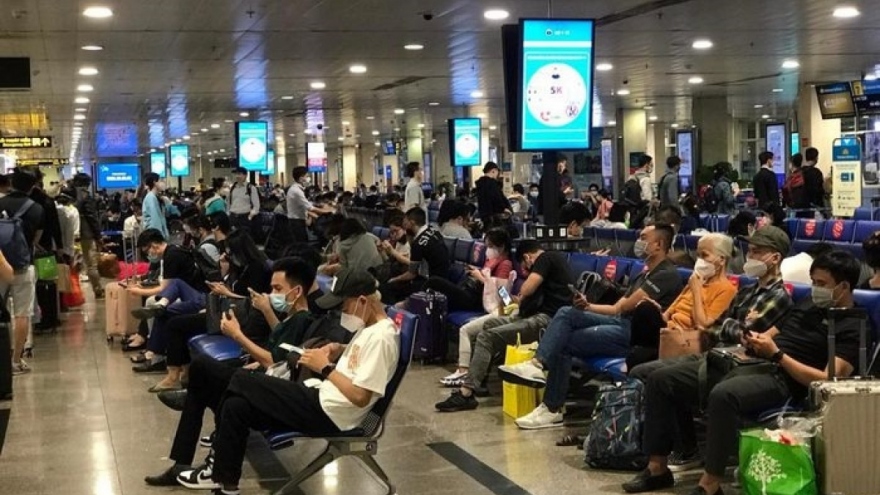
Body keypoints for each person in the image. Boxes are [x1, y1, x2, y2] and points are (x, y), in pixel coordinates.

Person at [622, 250, 863, 495]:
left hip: (786, 380)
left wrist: (777, 355)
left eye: (821, 284)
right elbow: (771, 336)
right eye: (813, 282)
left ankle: (710, 484)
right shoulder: (808, 305)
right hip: (751, 363)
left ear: (843, 286)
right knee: (660, 380)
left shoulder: (854, 325)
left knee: (723, 394)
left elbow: (826, 380)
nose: (814, 289)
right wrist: (755, 341)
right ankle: (657, 469)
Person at [173, 268, 400, 495]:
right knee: (236, 406)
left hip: (328, 412)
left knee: (235, 379)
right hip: (318, 397)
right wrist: (338, 349)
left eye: (344, 306)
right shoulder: (370, 328)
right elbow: (360, 361)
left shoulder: (381, 338)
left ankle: (197, 396)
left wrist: (325, 367)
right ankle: (225, 485)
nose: (342, 314)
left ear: (362, 300)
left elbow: (361, 397)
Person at [144, 257, 324, 487]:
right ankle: (188, 453)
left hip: (267, 386)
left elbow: (273, 362)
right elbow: (279, 347)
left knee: (202, 373)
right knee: (204, 380)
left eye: (278, 288)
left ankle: (188, 457)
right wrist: (268, 312)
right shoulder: (292, 318)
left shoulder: (302, 320)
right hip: (259, 376)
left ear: (297, 291)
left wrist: (237, 335)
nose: (272, 293)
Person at [629, 225, 794, 471]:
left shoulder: (779, 296)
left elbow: (743, 334)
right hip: (715, 354)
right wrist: (729, 327)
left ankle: (671, 458)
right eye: (751, 251)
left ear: (775, 258)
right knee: (643, 371)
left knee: (661, 379)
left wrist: (728, 328)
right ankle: (658, 455)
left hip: (738, 364)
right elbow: (715, 328)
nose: (751, 257)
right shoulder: (747, 292)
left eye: (758, 252)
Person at [497, 225, 684, 429]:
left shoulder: (666, 274)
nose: (638, 242)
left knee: (563, 340)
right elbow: (616, 308)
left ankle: (551, 406)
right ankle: (537, 368)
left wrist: (596, 308)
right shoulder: (644, 273)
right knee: (567, 313)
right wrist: (588, 306)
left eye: (643, 237)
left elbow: (625, 306)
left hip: (636, 335)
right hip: (620, 321)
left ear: (658, 244)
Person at [434, 239, 574, 412]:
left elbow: (527, 289)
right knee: (490, 324)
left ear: (528, 257)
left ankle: (466, 393)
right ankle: (479, 379)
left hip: (546, 322)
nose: (525, 270)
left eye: (525, 266)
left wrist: (522, 293)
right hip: (537, 317)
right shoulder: (554, 261)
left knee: (486, 337)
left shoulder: (546, 258)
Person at [0, 169, 44, 375]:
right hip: (23, 266)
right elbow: (35, 240)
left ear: (11, 183)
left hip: (0, 265)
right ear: (32, 186)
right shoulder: (36, 208)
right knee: (22, 314)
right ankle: (16, 360)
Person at [427, 227, 513, 314]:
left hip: (474, 298)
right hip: (467, 290)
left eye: (490, 246)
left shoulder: (505, 264)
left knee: (434, 282)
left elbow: (503, 293)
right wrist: (477, 270)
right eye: (486, 247)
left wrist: (479, 277)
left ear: (502, 247)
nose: (487, 250)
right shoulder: (492, 259)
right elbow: (489, 276)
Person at [380, 207, 449, 304]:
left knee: (388, 287)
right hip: (443, 279)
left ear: (411, 223)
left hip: (431, 284)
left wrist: (394, 279)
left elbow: (411, 274)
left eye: (405, 224)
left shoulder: (419, 243)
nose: (405, 227)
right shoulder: (435, 232)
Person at [71, 173, 105, 299]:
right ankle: (97, 289)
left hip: (69, 234)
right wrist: (98, 235)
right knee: (91, 264)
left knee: (72, 264)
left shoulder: (68, 195)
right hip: (86, 234)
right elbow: (92, 217)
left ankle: (71, 293)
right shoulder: (86, 197)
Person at [475, 162, 511, 228]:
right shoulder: (492, 184)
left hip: (485, 217)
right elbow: (497, 199)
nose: (498, 175)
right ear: (493, 171)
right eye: (497, 172)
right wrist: (504, 209)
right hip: (495, 218)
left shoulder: (480, 184)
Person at [227, 167, 260, 234]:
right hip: (233, 217)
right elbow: (228, 203)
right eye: (236, 174)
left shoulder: (250, 188)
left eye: (239, 174)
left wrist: (250, 217)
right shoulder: (232, 188)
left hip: (245, 218)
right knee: (233, 239)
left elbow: (256, 206)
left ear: (245, 175)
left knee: (244, 240)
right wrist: (228, 214)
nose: (237, 176)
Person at [753, 151, 782, 225]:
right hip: (771, 210)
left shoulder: (756, 176)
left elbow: (756, 195)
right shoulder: (771, 175)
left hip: (761, 208)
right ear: (768, 160)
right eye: (772, 160)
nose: (773, 162)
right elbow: (774, 194)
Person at [142, 172, 170, 239]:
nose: (163, 183)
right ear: (155, 182)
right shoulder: (151, 197)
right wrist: (159, 237)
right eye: (161, 181)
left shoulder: (155, 197)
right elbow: (155, 219)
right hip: (154, 236)